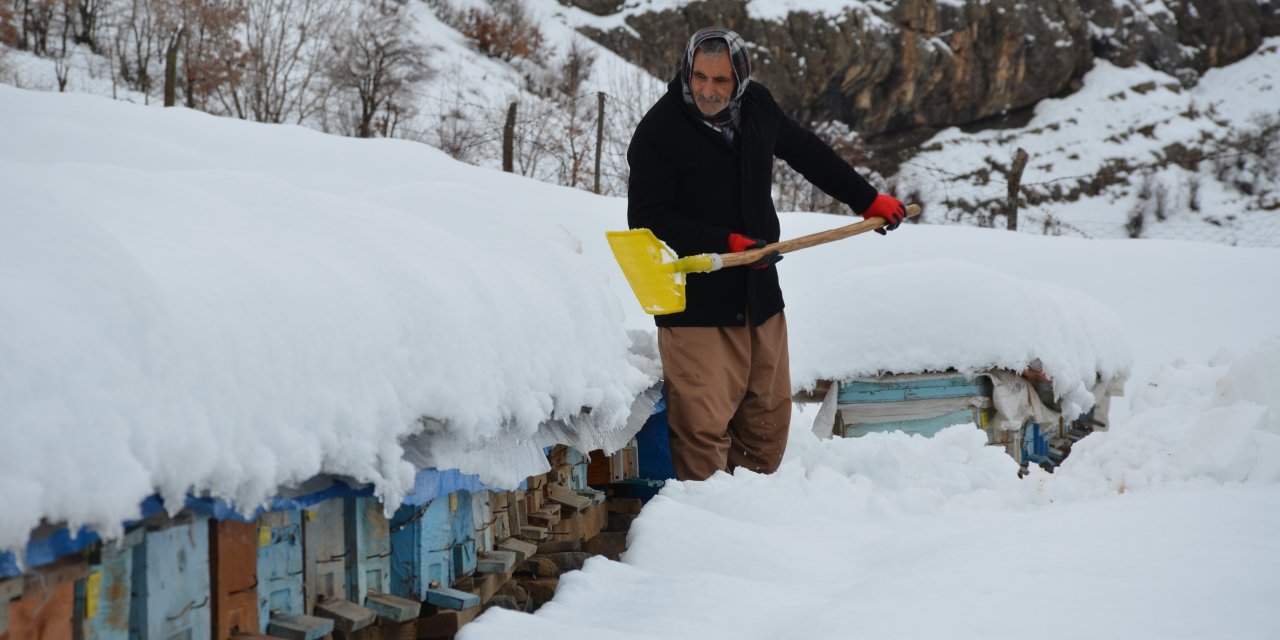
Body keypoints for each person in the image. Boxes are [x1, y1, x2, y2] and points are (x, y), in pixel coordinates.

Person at [626, 26, 907, 481]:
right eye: (699, 77)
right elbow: (647, 219)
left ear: (739, 79)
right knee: (703, 433)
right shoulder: (660, 131)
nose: (707, 90)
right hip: (698, 307)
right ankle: (705, 533)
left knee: (767, 426)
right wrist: (727, 242)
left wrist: (866, 199)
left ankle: (755, 520)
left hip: (760, 297)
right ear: (686, 71)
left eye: (720, 81)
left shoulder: (757, 106)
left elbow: (807, 154)